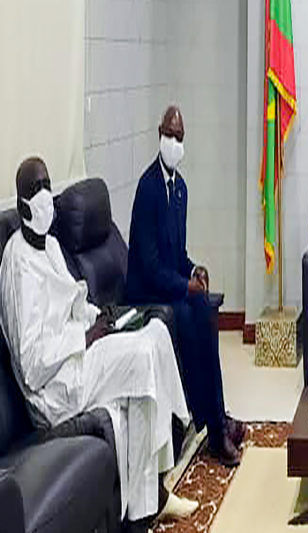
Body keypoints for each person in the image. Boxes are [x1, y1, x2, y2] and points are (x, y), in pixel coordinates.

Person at [0, 157, 199, 530]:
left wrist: (98, 318)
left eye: (47, 185)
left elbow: (72, 305)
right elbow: (32, 364)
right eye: (35, 188)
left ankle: (150, 497)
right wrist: (84, 337)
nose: (44, 195)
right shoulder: (17, 263)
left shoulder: (51, 246)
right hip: (56, 387)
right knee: (143, 358)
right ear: (22, 201)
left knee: (156, 332)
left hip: (79, 360)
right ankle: (152, 496)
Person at [126, 106, 245, 466]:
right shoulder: (147, 189)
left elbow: (178, 256)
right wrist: (184, 285)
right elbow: (149, 267)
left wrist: (195, 270)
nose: (174, 142)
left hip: (171, 285)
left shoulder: (181, 189)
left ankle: (217, 418)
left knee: (204, 309)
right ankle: (216, 428)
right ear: (159, 134)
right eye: (169, 134)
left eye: (179, 137)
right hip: (147, 295)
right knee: (190, 318)